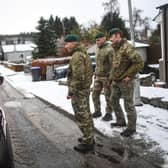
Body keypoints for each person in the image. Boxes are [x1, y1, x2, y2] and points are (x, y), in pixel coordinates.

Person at [109, 28, 144, 137]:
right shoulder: (116, 49)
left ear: (118, 35)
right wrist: (111, 78)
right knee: (113, 100)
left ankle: (131, 128)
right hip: (116, 81)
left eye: (112, 37)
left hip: (125, 82)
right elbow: (115, 66)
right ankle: (120, 121)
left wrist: (129, 75)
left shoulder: (126, 47)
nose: (110, 39)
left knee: (128, 104)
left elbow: (139, 62)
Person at [65, 34, 95, 153]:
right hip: (83, 89)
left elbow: (78, 76)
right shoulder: (83, 53)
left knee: (82, 115)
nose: (66, 46)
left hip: (79, 91)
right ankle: (89, 137)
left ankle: (88, 142)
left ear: (73, 43)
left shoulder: (77, 56)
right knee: (86, 113)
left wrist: (71, 91)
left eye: (67, 43)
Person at [92, 32, 114, 121]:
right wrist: (95, 73)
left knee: (108, 96)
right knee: (94, 94)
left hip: (107, 77)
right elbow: (97, 64)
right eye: (96, 40)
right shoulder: (97, 49)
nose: (97, 42)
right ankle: (97, 111)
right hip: (98, 76)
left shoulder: (110, 49)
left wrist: (111, 77)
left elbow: (113, 65)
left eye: (98, 40)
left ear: (104, 38)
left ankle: (109, 113)